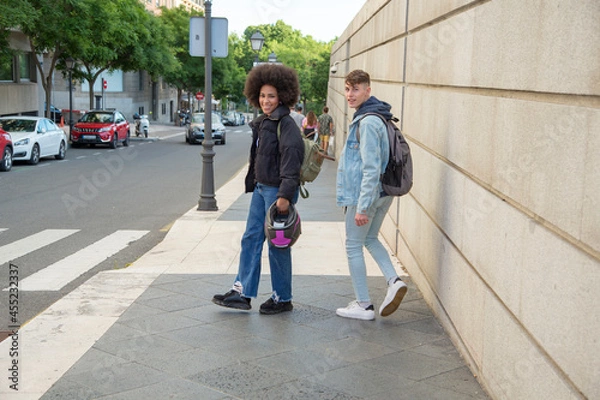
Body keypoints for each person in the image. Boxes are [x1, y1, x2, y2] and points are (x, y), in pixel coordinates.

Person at [212, 63, 304, 315]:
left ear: (282, 96)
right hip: (262, 189)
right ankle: (242, 292)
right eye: (262, 96)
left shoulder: (285, 125)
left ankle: (282, 298)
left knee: (278, 245)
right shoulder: (265, 122)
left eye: (271, 96)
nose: (266, 100)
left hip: (278, 194)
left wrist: (285, 196)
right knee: (251, 238)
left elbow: (292, 160)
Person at [335, 69, 407, 321]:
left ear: (368, 90)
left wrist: (362, 207)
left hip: (364, 195)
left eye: (355, 89)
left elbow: (370, 167)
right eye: (347, 89)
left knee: (353, 245)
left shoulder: (367, 122)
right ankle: (394, 280)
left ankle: (364, 304)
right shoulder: (380, 117)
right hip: (383, 192)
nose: (350, 94)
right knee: (371, 239)